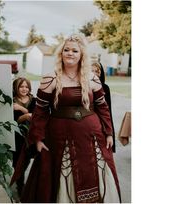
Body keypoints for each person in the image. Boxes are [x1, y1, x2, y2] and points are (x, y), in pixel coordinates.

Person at [20, 34, 121, 203]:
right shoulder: (50, 78)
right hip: (59, 138)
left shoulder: (92, 77)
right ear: (61, 53)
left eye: (75, 50)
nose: (70, 53)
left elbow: (103, 108)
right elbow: (41, 111)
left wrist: (109, 133)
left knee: (95, 172)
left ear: (82, 54)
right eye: (66, 50)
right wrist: (37, 138)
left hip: (92, 136)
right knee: (63, 173)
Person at [11, 77, 36, 198]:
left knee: (32, 162)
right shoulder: (11, 101)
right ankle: (20, 188)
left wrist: (22, 110)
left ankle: (30, 186)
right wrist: (27, 115)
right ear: (16, 87)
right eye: (21, 86)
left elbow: (35, 117)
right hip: (18, 138)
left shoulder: (34, 100)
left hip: (32, 136)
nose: (24, 89)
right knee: (19, 164)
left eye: (26, 86)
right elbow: (14, 121)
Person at [92, 62, 116, 152]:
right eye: (92, 71)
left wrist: (109, 133)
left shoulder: (105, 88)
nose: (94, 74)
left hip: (101, 122)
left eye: (97, 71)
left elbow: (108, 111)